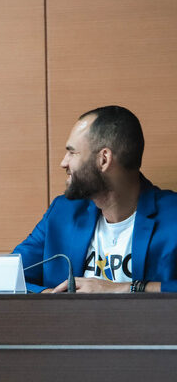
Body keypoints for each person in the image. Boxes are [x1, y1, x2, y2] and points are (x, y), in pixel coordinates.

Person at [13, 105, 177, 293]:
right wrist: (53, 298)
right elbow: (7, 276)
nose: (63, 163)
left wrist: (125, 289)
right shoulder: (62, 212)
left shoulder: (173, 216)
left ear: (104, 160)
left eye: (72, 152)